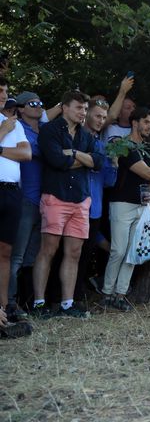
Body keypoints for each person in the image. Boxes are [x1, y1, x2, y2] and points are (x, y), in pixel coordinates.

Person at [32, 90, 104, 318]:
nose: (83, 112)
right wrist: (84, 159)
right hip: (56, 197)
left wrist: (73, 153)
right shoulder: (50, 130)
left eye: (85, 108)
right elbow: (56, 160)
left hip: (80, 200)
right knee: (48, 250)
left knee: (74, 252)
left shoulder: (85, 135)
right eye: (78, 107)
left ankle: (67, 303)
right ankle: (39, 304)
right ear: (64, 107)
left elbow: (98, 162)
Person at [101, 108, 150, 311]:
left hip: (141, 206)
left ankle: (120, 295)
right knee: (118, 250)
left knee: (132, 252)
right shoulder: (124, 146)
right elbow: (147, 172)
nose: (149, 126)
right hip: (121, 203)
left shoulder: (146, 149)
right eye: (146, 122)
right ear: (134, 123)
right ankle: (107, 294)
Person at [76, 99, 117, 299]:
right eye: (97, 116)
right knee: (69, 254)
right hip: (74, 205)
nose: (101, 120)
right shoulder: (75, 139)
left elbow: (109, 181)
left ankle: (78, 294)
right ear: (86, 115)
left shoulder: (101, 145)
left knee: (85, 254)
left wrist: (114, 162)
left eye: (104, 117)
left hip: (95, 208)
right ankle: (58, 298)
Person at [8, 91, 45, 317]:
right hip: (25, 200)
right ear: (21, 109)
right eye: (33, 103)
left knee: (33, 256)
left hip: (45, 202)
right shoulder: (18, 129)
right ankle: (10, 304)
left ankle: (28, 303)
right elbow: (37, 151)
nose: (38, 106)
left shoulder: (44, 129)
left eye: (41, 103)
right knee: (16, 257)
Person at [0, 78, 32, 317]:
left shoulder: (14, 123)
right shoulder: (7, 125)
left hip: (11, 191)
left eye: (5, 91)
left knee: (5, 251)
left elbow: (26, 153)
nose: (3, 95)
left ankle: (4, 306)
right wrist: (2, 131)